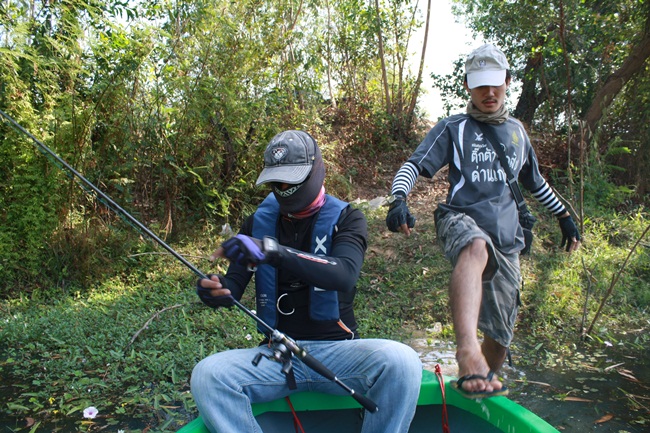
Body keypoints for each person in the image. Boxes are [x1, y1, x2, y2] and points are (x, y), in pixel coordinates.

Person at [191, 130, 422, 432]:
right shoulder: (258, 223)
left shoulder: (348, 218)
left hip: (338, 355)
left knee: (402, 362)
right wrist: (213, 290)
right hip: (278, 354)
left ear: (315, 170)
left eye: (291, 179)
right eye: (278, 182)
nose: (284, 188)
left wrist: (274, 252)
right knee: (207, 375)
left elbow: (344, 273)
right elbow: (232, 287)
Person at [386, 44, 581, 398]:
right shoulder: (454, 128)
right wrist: (398, 198)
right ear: (467, 86)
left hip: (507, 238)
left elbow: (535, 182)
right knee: (475, 247)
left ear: (508, 82)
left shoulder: (518, 132)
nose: (489, 92)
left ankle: (479, 382)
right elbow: (414, 165)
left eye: (495, 83)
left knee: (501, 338)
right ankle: (465, 350)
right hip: (460, 219)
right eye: (480, 85)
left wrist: (565, 216)